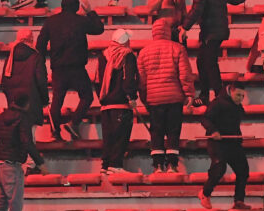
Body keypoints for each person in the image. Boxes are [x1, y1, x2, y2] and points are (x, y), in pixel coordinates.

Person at [181, 0, 256, 105]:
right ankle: (206, 95)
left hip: (210, 31)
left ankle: (218, 95)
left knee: (208, 63)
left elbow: (197, 9)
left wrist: (185, 27)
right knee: (203, 61)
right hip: (220, 30)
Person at [36, 0, 105, 140]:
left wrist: (41, 64)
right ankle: (74, 123)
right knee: (87, 97)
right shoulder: (81, 21)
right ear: (76, 7)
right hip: (77, 68)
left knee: (57, 100)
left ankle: (55, 132)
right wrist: (90, 12)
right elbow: (99, 28)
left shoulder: (51, 22)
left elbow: (40, 44)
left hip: (58, 69)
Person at [138, 18, 196, 173]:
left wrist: (145, 98)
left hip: (154, 99)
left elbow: (141, 81)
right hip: (174, 97)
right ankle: (172, 165)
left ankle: (157, 165)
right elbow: (184, 74)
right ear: (168, 31)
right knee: (173, 131)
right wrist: (189, 94)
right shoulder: (177, 48)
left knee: (156, 131)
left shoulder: (143, 52)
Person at [0, 93, 46, 211]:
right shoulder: (23, 118)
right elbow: (27, 142)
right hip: (13, 166)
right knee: (15, 203)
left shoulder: (2, 116)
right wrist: (40, 163)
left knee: (3, 201)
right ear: (27, 105)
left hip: (1, 166)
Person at [199, 83, 250, 210]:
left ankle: (239, 201)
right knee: (219, 168)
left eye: (242, 96)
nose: (240, 98)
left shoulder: (236, 105)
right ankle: (205, 193)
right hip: (217, 143)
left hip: (233, 142)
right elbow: (205, 119)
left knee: (243, 170)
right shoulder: (217, 103)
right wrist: (213, 131)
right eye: (238, 95)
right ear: (230, 91)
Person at [95, 29, 139, 174]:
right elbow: (129, 79)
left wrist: (102, 98)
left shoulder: (103, 56)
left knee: (108, 136)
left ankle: (105, 165)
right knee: (121, 136)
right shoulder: (128, 55)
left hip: (106, 104)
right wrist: (132, 97)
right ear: (125, 41)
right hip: (121, 103)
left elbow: (97, 80)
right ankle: (116, 164)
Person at [1, 29, 48, 125]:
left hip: (13, 101)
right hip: (32, 100)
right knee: (30, 133)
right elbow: (41, 81)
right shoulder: (36, 56)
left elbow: (4, 81)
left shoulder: (10, 57)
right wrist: (45, 99)